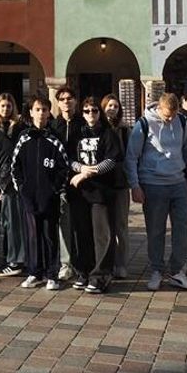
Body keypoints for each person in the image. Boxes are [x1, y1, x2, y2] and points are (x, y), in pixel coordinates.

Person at [126, 92, 187, 291]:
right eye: (167, 116)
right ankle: (156, 269)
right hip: (153, 183)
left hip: (178, 182)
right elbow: (131, 157)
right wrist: (135, 185)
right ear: (159, 108)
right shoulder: (144, 124)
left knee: (183, 228)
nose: (170, 119)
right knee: (156, 230)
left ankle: (177, 270)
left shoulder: (181, 121)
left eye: (173, 115)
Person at [11, 93, 69, 291]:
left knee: (49, 235)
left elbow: (64, 167)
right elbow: (15, 166)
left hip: (49, 198)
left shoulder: (54, 138)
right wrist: (22, 189)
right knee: (32, 236)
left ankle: (52, 274)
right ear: (31, 112)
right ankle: (34, 272)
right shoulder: (23, 138)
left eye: (44, 110)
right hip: (29, 197)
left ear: (49, 112)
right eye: (37, 109)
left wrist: (54, 189)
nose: (41, 113)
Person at [65, 97, 122, 293]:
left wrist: (88, 173)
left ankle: (100, 276)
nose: (91, 114)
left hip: (102, 193)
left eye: (95, 111)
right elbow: (69, 158)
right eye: (87, 111)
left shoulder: (108, 133)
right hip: (80, 194)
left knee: (102, 235)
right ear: (82, 113)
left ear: (100, 112)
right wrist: (80, 169)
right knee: (82, 234)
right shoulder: (76, 134)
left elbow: (112, 159)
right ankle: (84, 272)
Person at [0, 93, 24, 277]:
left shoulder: (19, 129)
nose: (5, 109)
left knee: (14, 224)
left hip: (15, 183)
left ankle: (15, 261)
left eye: (9, 106)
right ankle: (10, 258)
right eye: (2, 106)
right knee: (7, 223)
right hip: (2, 182)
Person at [48, 85, 80, 280]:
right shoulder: (53, 127)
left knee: (81, 224)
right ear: (58, 103)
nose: (66, 102)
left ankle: (82, 262)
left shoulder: (83, 123)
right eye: (62, 99)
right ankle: (66, 263)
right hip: (61, 183)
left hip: (82, 182)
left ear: (75, 101)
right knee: (64, 224)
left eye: (69, 98)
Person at [102, 93, 132, 279]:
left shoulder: (124, 130)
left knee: (121, 225)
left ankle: (121, 264)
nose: (112, 108)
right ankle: (107, 263)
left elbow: (130, 156)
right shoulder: (97, 128)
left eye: (115, 106)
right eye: (109, 105)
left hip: (120, 183)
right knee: (104, 226)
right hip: (102, 183)